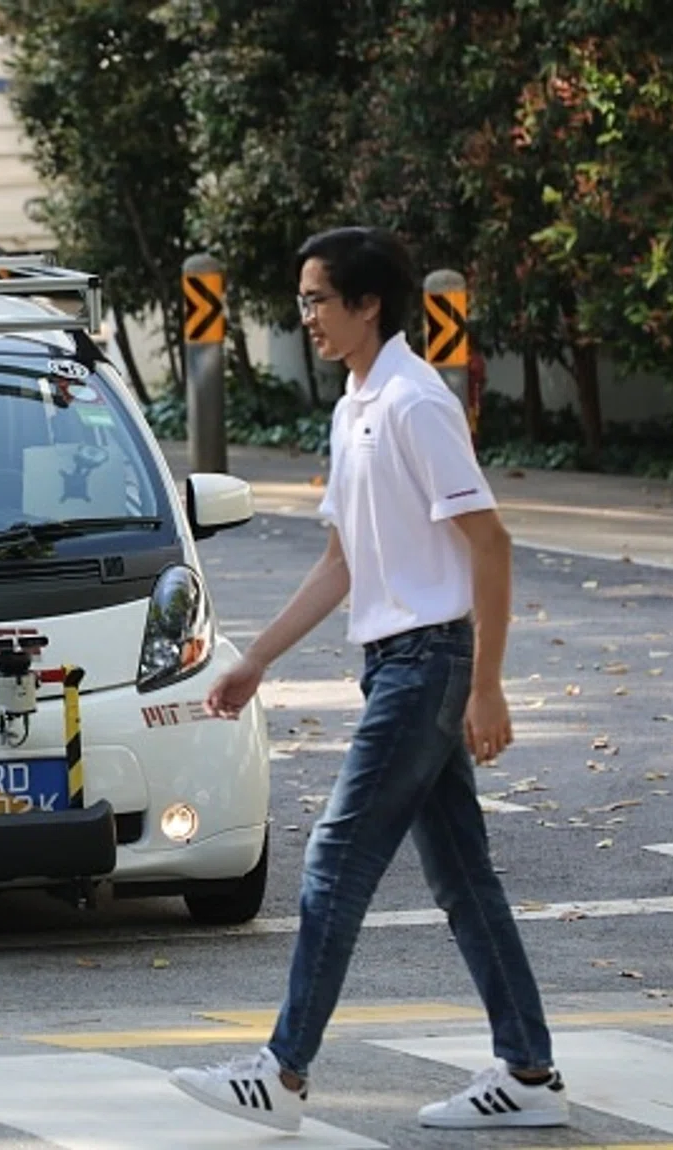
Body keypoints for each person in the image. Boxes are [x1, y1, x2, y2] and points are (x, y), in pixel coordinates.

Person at [169, 227, 567, 1133]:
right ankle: (531, 1075)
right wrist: (254, 660)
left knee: (336, 859)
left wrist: (489, 684)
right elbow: (344, 562)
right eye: (303, 299)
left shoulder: (414, 403)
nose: (304, 315)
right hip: (397, 662)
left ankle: (283, 1073)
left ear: (367, 304)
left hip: (430, 663)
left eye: (316, 299)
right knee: (465, 880)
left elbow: (491, 544)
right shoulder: (356, 406)